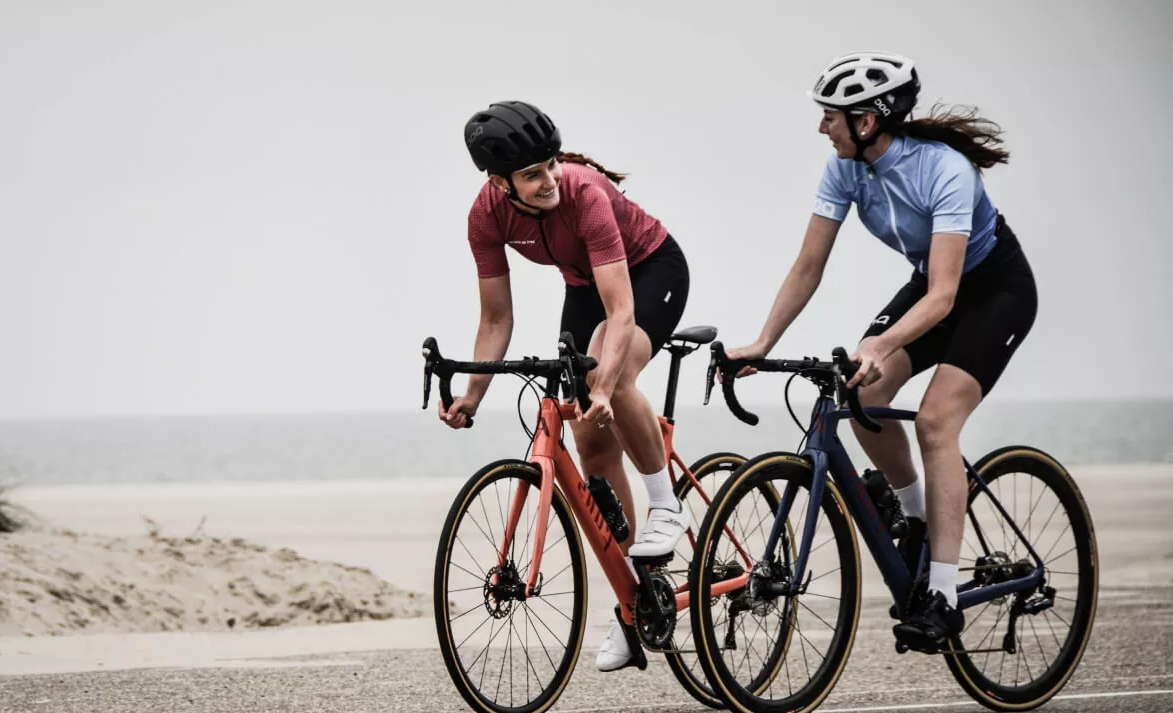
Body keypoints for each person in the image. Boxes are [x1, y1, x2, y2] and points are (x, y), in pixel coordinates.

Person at [725, 51, 1038, 652]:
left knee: (935, 422)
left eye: (830, 117)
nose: (822, 127)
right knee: (861, 389)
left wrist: (883, 340)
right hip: (933, 286)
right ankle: (915, 517)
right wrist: (764, 343)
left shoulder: (945, 170)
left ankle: (943, 598)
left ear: (866, 122)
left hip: (993, 292)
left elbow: (945, 296)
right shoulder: (844, 169)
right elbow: (809, 265)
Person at [441, 100, 691, 671]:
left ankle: (665, 505)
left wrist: (604, 384)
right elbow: (495, 320)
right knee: (587, 436)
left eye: (551, 164)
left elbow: (621, 311)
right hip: (585, 284)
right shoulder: (485, 217)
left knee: (613, 372)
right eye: (532, 174)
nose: (550, 180)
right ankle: (636, 604)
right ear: (498, 182)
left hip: (650, 271)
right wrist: (473, 395)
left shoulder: (585, 193)